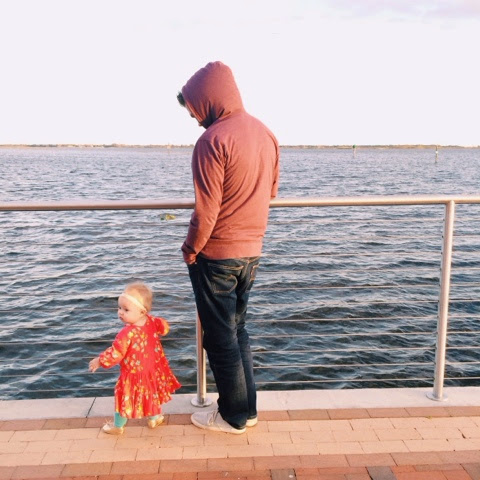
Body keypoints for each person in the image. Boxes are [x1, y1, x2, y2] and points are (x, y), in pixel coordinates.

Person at [177, 61, 280, 434]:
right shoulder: (266, 134)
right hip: (252, 251)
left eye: (194, 109)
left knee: (221, 340)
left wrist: (190, 248)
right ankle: (246, 411)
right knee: (238, 331)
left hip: (218, 254)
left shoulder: (212, 140)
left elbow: (206, 211)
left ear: (208, 99)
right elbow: (271, 193)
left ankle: (233, 417)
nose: (195, 119)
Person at [89, 282, 181, 435]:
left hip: (132, 375)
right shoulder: (151, 322)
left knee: (124, 398)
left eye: (126, 309)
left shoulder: (126, 333)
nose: (120, 312)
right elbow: (164, 328)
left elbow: (116, 353)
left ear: (142, 311)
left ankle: (118, 426)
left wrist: (99, 360)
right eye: (119, 308)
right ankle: (154, 418)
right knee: (150, 394)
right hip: (151, 370)